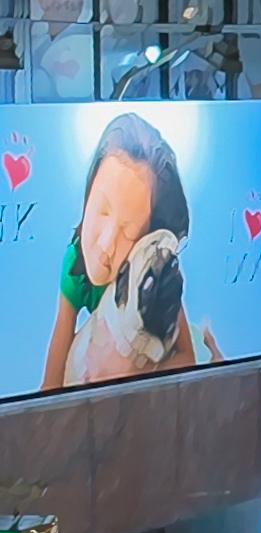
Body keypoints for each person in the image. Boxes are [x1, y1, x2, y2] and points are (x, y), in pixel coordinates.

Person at [38, 112, 216, 391]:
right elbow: (52, 379)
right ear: (88, 196)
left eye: (129, 231)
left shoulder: (151, 268)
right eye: (102, 209)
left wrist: (126, 381)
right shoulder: (75, 262)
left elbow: (186, 357)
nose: (106, 245)